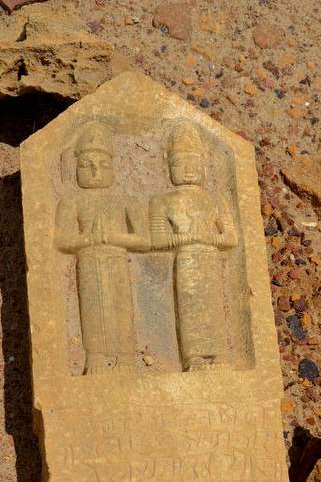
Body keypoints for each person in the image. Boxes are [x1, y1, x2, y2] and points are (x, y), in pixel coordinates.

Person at [55, 121, 147, 374]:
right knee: (92, 308)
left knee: (121, 307)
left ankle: (126, 360)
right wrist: (89, 239)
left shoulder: (124, 200)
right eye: (87, 166)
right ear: (75, 168)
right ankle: (94, 358)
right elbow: (62, 241)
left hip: (117, 259)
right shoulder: (71, 201)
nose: (96, 172)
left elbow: (144, 239)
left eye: (103, 165)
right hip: (88, 259)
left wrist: (115, 237)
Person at [150, 121, 238, 371]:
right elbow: (157, 241)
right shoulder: (163, 201)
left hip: (209, 259)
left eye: (194, 163)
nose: (188, 170)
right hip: (186, 259)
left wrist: (207, 238)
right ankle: (194, 359)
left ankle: (219, 357)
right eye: (180, 163)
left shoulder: (216, 199)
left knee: (214, 309)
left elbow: (230, 238)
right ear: (169, 167)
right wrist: (187, 238)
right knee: (190, 309)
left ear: (204, 166)